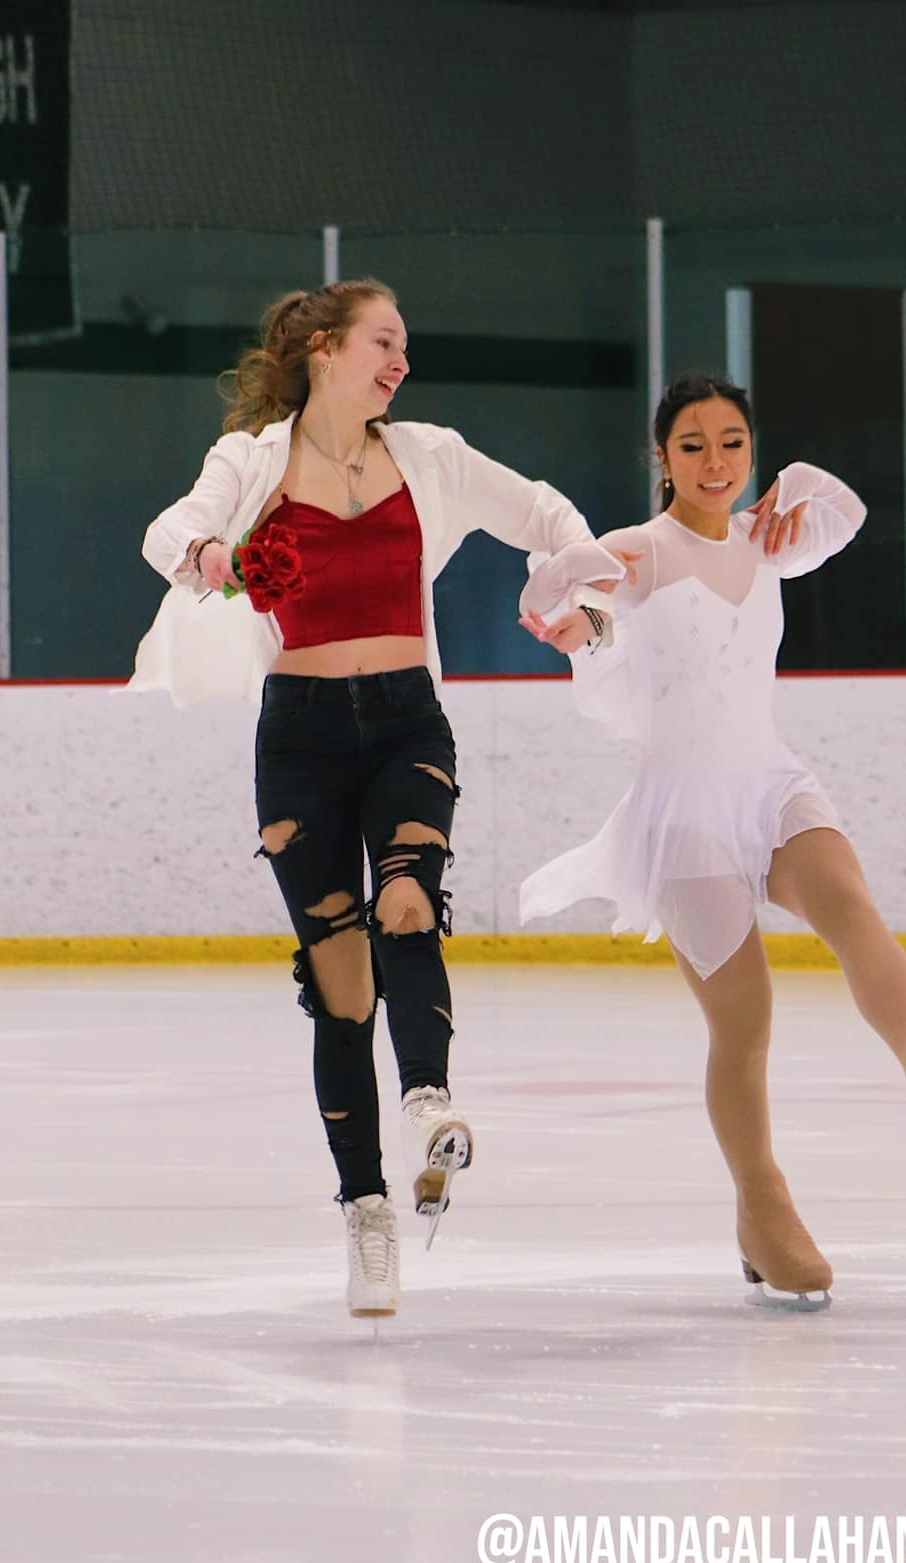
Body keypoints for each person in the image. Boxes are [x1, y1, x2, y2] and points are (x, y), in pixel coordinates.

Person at [130, 278, 619, 1320]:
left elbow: (543, 510)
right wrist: (212, 554)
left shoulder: (429, 456)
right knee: (341, 982)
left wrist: (576, 592)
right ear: (321, 346)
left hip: (405, 719)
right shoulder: (251, 460)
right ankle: (366, 1211)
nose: (401, 361)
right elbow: (168, 531)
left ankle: (429, 1097)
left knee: (407, 896)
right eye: (384, 341)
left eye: (404, 345)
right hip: (299, 738)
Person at [518, 373, 906, 1311]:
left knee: (850, 904)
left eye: (734, 442)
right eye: (693, 445)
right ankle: (762, 1207)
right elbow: (596, 588)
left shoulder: (764, 541)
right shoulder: (644, 550)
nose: (716, 463)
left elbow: (845, 512)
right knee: (744, 1023)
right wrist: (581, 612)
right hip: (686, 811)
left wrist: (791, 491)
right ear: (660, 459)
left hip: (769, 779)